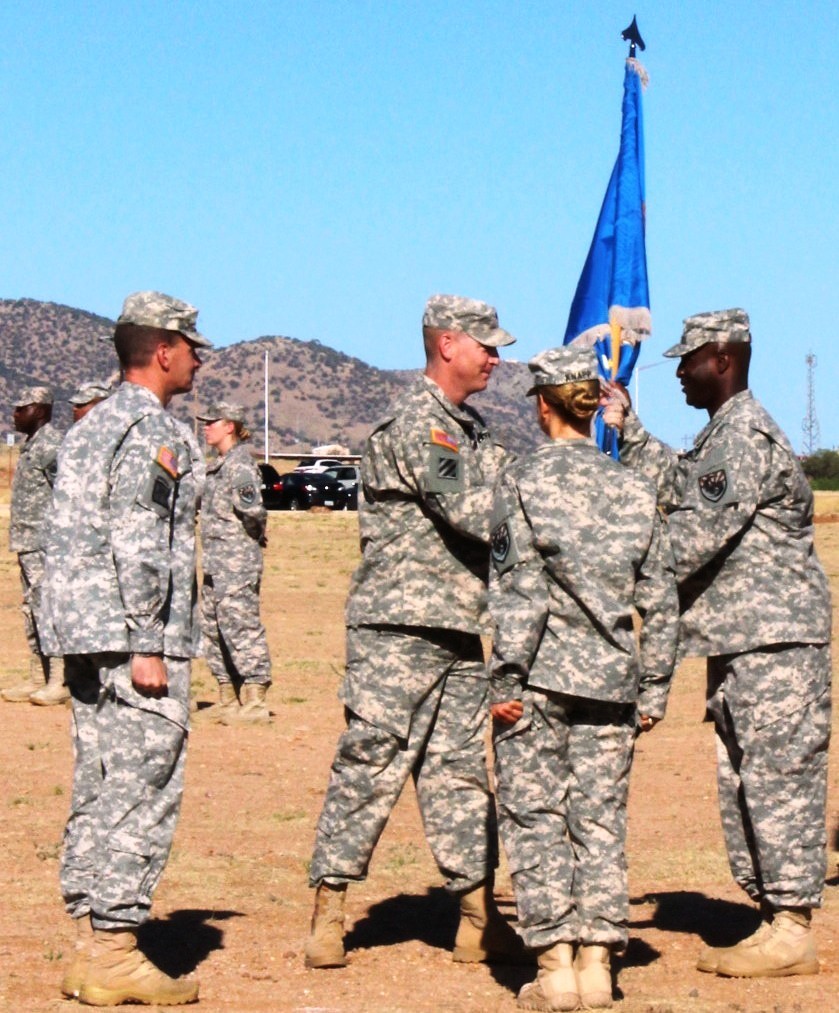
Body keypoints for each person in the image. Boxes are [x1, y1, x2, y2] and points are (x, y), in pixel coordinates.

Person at [604, 308, 832, 978]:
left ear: (723, 359)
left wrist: (597, 561)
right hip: (743, 640)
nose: (677, 371)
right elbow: (681, 487)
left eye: (688, 359)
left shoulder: (742, 437)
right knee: (744, 779)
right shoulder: (719, 437)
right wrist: (631, 431)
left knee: (776, 777)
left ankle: (791, 927)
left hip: (773, 642)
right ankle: (773, 917)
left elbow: (689, 537)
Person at [305, 294, 526, 970]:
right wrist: (547, 500)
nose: (494, 357)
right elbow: (472, 510)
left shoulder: (473, 429)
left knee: (460, 773)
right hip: (397, 626)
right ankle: (329, 910)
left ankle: (475, 915)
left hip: (459, 626)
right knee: (371, 760)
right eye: (485, 344)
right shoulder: (419, 426)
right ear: (446, 344)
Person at [489, 346, 678, 1010]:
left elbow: (521, 593)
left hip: (538, 681)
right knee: (599, 822)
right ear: (593, 405)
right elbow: (659, 595)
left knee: (536, 818)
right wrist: (653, 686)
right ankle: (598, 962)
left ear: (542, 404)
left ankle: (554, 965)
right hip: (612, 683)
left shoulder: (520, 480)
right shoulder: (632, 485)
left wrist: (504, 682)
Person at [42, 291, 210, 1006]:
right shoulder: (153, 430)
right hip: (134, 636)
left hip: (82, 631)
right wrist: (148, 639)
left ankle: (90, 940)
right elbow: (142, 539)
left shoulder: (87, 427)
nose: (199, 358)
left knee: (100, 779)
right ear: (164, 348)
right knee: (143, 785)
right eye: (193, 346)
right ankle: (114, 945)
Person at [196, 400, 272, 725]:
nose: (205, 426)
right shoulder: (217, 465)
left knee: (241, 626)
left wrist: (248, 543)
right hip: (215, 562)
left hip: (236, 562)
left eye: (212, 422)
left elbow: (253, 511)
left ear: (230, 426)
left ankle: (254, 701)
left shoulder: (240, 465)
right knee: (213, 628)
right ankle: (228, 696)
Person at [3, 385, 67, 705]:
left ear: (39, 410)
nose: (14, 415)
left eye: (21, 408)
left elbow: (68, 495)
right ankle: (38, 676)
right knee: (31, 609)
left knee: (48, 608)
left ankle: (59, 679)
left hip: (46, 544)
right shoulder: (32, 446)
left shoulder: (52, 446)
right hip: (28, 543)